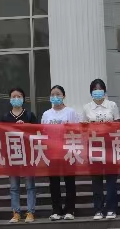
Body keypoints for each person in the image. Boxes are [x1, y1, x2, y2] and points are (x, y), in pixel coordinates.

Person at [81, 79, 120, 220]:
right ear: (91, 92)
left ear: (104, 91)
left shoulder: (112, 105)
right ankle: (98, 209)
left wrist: (110, 125)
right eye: (94, 90)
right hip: (94, 146)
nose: (97, 92)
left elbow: (118, 124)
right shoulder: (86, 107)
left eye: (100, 89)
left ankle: (111, 208)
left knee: (111, 179)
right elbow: (83, 128)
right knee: (96, 180)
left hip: (110, 145)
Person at [42, 85, 80, 221]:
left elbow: (78, 131)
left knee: (69, 181)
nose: (55, 97)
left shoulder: (71, 112)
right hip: (52, 152)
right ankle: (56, 210)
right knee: (54, 183)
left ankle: (70, 210)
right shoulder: (46, 114)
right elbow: (43, 133)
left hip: (68, 151)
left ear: (64, 96)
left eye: (58, 94)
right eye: (52, 94)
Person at [1, 87, 39, 224]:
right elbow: (0, 134)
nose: (16, 99)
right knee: (14, 186)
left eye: (19, 96)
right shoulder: (5, 117)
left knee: (30, 185)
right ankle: (16, 212)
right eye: (13, 96)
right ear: (10, 99)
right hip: (12, 154)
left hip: (27, 154)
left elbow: (37, 132)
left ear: (23, 99)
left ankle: (30, 212)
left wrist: (26, 126)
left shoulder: (29, 115)